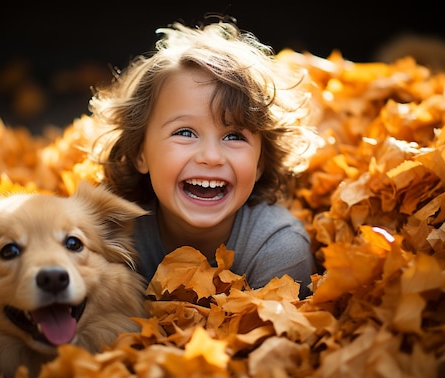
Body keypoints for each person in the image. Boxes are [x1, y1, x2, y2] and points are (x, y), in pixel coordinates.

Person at [87, 17, 316, 299]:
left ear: (260, 163)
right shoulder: (115, 239)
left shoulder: (278, 248)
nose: (210, 157)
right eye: (185, 132)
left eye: (234, 137)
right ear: (139, 153)